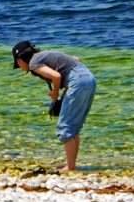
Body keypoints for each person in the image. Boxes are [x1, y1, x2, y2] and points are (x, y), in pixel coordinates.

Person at [12, 41, 96, 171]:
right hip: (89, 78)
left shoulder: (34, 63)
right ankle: (71, 163)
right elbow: (75, 60)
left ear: (19, 60)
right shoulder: (44, 54)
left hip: (77, 81)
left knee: (65, 126)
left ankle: (71, 167)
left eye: (17, 64)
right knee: (73, 126)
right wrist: (67, 89)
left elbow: (56, 76)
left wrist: (55, 94)